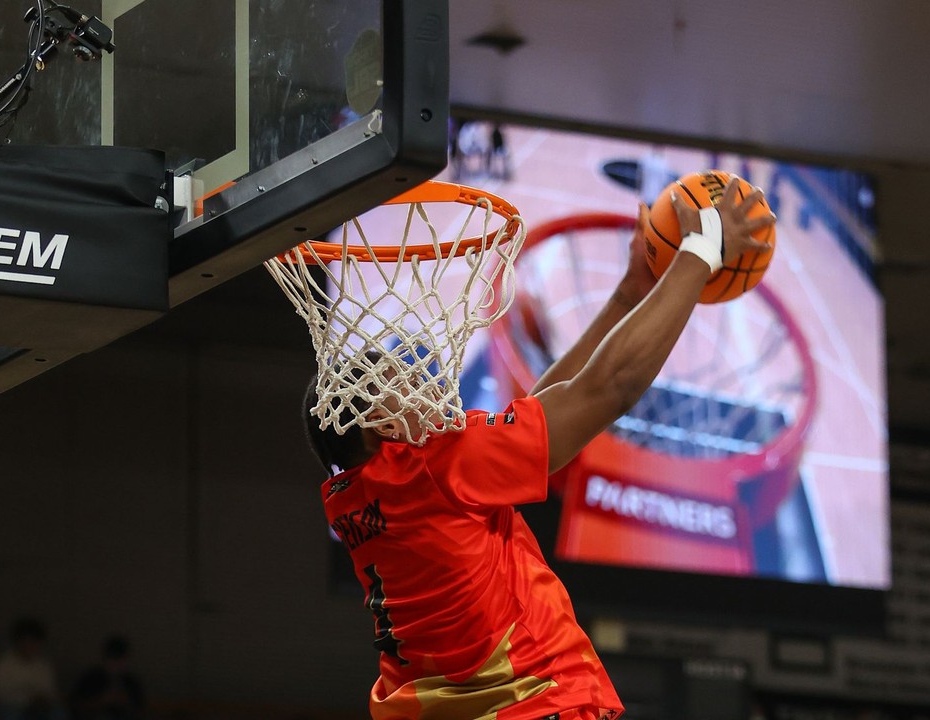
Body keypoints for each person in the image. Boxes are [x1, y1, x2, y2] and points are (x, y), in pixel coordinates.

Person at [302, 179, 774, 720]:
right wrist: (699, 253)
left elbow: (541, 412)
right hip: (537, 705)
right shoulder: (434, 465)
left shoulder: (365, 493)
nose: (420, 382)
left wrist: (629, 296)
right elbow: (610, 388)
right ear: (378, 425)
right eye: (400, 382)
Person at [0, 618, 62, 720]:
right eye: (26, 641)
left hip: (39, 707)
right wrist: (28, 699)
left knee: (58, 713)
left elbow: (49, 690)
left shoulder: (43, 665)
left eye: (34, 642)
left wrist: (43, 700)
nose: (30, 646)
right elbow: (1, 693)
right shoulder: (4, 664)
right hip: (13, 707)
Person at [69, 635, 145, 720]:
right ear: (105, 659)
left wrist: (126, 702)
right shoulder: (91, 679)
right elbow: (76, 708)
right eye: (114, 660)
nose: (118, 665)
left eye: (122, 660)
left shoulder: (131, 682)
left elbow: (141, 712)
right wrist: (102, 700)